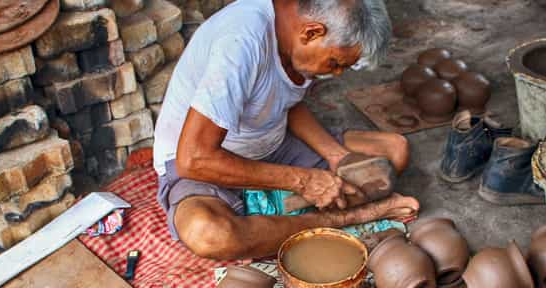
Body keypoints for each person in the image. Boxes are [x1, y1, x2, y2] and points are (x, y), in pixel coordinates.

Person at [153, 0, 419, 260]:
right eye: (336, 63)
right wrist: (302, 180)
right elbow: (193, 159)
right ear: (312, 32)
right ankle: (344, 218)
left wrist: (337, 155)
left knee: (394, 151)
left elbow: (286, 102)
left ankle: (271, 224)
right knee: (210, 235)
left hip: (272, 144)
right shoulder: (241, 42)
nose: (337, 73)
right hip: (205, 165)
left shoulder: (296, 31)